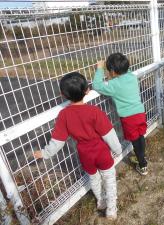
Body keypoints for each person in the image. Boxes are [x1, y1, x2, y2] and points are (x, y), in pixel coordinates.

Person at [33, 72, 122, 220]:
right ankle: (111, 210)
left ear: (63, 94)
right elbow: (109, 134)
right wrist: (117, 149)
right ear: (87, 90)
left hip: (84, 154)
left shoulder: (64, 115)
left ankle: (101, 201)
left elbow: (58, 141)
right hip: (101, 152)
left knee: (93, 179)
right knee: (109, 179)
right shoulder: (94, 111)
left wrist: (45, 153)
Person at [92, 53, 148, 176]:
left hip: (129, 118)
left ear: (112, 71)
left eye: (108, 71)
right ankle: (142, 155)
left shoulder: (114, 85)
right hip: (140, 113)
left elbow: (96, 85)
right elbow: (125, 71)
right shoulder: (132, 77)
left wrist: (99, 69)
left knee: (135, 140)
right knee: (140, 136)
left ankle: (142, 164)